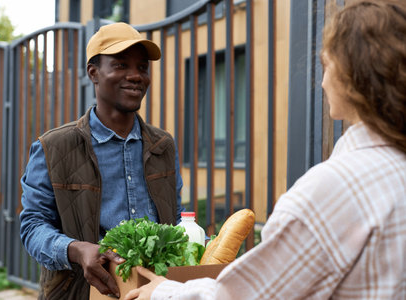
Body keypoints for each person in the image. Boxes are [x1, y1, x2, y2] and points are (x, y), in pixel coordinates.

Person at [124, 1, 406, 299]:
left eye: (327, 65)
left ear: (352, 76)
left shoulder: (336, 188)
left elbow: (245, 293)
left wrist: (164, 291)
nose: (322, 82)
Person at [19, 22, 185, 299]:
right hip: (79, 292)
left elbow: (177, 218)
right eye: (120, 65)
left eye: (142, 67)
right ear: (93, 73)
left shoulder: (162, 145)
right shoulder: (54, 146)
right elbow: (32, 226)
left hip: (154, 291)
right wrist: (76, 249)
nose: (135, 76)